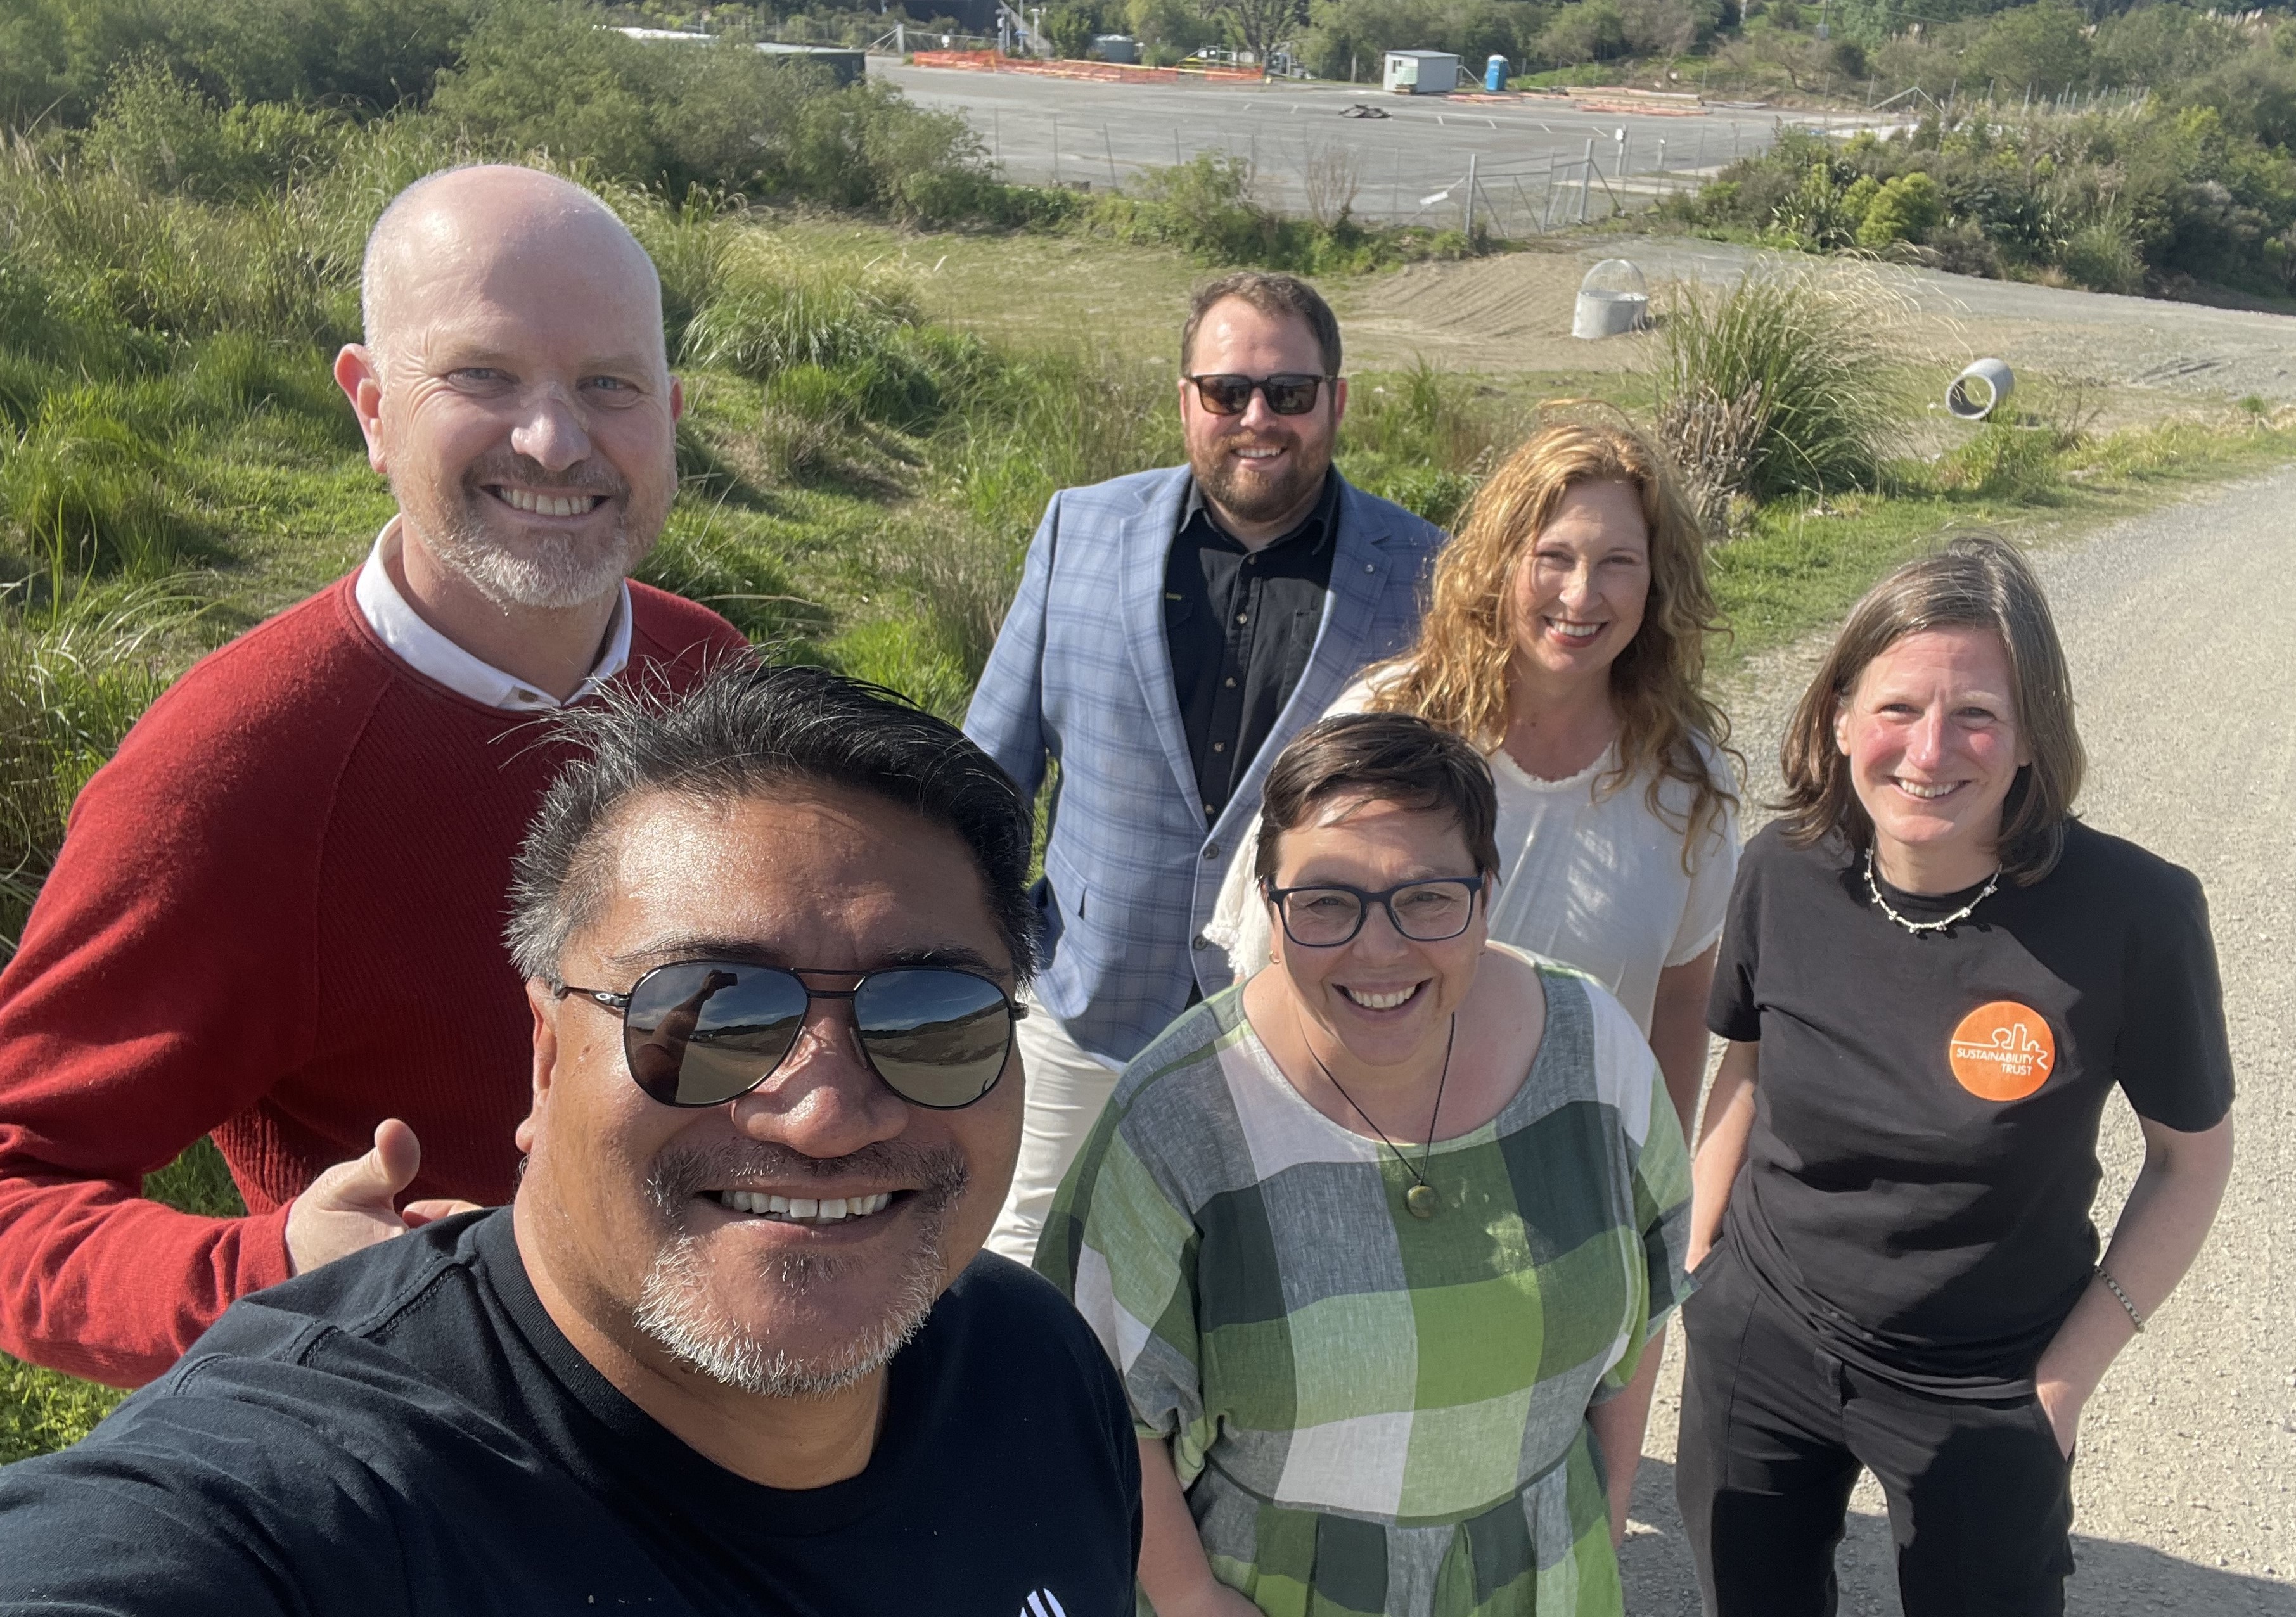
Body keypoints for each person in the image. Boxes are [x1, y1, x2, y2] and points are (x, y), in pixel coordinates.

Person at [0, 662, 1143, 1616]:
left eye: (927, 1017)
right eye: (709, 1013)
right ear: (545, 1056)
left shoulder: (1028, 1365)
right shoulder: (327, 1494)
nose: (826, 1110)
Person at [0, 165, 749, 1387]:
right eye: (483, 376)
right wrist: (278, 1274)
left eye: (605, 384)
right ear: (370, 406)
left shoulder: (704, 665)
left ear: (667, 411)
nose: (554, 440)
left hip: (725, 1392)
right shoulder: (233, 774)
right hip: (433, 1448)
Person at [1675, 537, 2236, 1616]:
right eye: (1896, 708)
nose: (1930, 751)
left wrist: (2060, 1384)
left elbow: (2189, 1161)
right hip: (1764, 1328)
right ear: (1838, 717)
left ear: (2030, 737)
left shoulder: (2134, 914)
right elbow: (1743, 1068)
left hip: (1986, 1376)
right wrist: (1701, 1265)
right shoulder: (1781, 869)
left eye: (1976, 713)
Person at [1041, 712, 1691, 1617]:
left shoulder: (1593, 1048)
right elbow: (1097, 1399)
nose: (1378, 949)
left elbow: (1648, 1301)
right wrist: (1191, 1601)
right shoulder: (1180, 1116)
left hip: (1542, 1571)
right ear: (1268, 906)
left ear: (1487, 891)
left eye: (1427, 896)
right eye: (1326, 901)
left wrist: (1607, 1514)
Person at [966, 271, 1443, 1263]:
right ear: (1186, 399)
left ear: (1338, 401)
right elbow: (985, 777)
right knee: (1025, 1264)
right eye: (1227, 392)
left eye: (1290, 393)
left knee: (1259, 1288)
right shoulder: (1079, 531)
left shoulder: (1426, 572)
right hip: (1081, 1010)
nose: (1257, 417)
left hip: (1303, 1025)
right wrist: (984, 960)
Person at [1207, 419, 1740, 1134]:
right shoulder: (1386, 719)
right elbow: (1266, 966)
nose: (1582, 596)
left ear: (1657, 580)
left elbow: (1679, 1000)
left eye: (1619, 561)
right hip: (1367, 1150)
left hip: (1571, 1176)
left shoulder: (1684, 777)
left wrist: (1661, 1184)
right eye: (1553, 556)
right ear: (1498, 564)